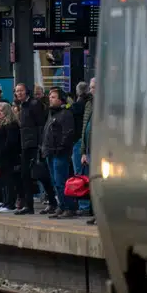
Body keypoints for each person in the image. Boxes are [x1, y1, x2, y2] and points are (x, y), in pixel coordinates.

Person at [42, 88, 80, 219]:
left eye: (53, 97)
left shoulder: (66, 114)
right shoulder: (52, 114)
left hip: (60, 152)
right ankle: (62, 205)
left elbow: (68, 133)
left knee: (61, 181)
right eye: (50, 97)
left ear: (61, 100)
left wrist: (61, 147)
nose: (50, 99)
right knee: (55, 181)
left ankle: (69, 207)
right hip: (50, 152)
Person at [13, 83, 45, 215]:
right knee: (25, 175)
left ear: (27, 91)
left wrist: (40, 144)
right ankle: (28, 205)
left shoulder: (34, 104)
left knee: (41, 175)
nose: (19, 93)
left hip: (33, 144)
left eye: (21, 90)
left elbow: (40, 125)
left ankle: (52, 202)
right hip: (25, 144)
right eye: (17, 91)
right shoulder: (22, 106)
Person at [80, 78, 97, 225]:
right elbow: (84, 128)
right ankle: (95, 213)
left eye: (93, 87)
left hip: (101, 150)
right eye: (91, 87)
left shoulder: (105, 105)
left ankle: (100, 214)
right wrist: (83, 152)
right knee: (93, 184)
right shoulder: (89, 104)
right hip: (90, 149)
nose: (90, 90)